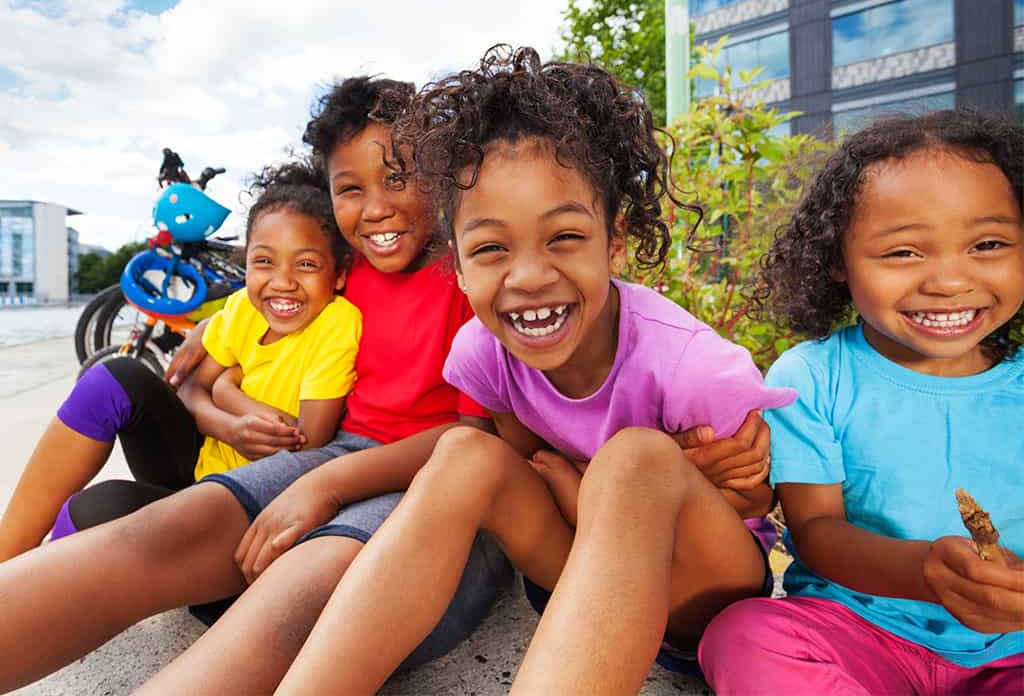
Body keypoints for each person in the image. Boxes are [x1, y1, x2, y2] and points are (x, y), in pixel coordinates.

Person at [272, 45, 797, 696]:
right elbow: (529, 465)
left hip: (700, 600)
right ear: (459, 266)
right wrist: (579, 495)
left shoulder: (693, 367)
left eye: (564, 238)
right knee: (465, 452)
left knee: (636, 460)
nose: (527, 276)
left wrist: (659, 485)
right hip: (576, 568)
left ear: (615, 241)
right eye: (492, 247)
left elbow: (764, 501)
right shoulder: (481, 354)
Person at [0, 77, 512, 695]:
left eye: (398, 177)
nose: (375, 207)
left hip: (437, 486)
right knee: (163, 531)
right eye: (351, 188)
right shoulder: (346, 272)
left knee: (300, 592)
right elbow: (269, 297)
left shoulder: (469, 277)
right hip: (334, 455)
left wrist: (327, 484)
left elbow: (473, 440)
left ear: (441, 173)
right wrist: (213, 331)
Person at [699, 109, 1024, 695]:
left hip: (1013, 652)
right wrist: (925, 570)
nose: (950, 281)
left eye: (988, 244)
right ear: (835, 259)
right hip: (858, 630)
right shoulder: (813, 376)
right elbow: (816, 530)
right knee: (743, 636)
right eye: (903, 252)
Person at [0, 159, 359, 562]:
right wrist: (228, 425)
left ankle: (26, 587)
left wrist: (227, 391)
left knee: (92, 509)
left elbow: (305, 440)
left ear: (339, 273)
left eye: (306, 264)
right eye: (264, 261)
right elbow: (189, 389)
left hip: (248, 505)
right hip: (202, 470)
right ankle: (6, 558)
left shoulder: (336, 323)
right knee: (112, 378)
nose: (283, 281)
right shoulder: (244, 309)